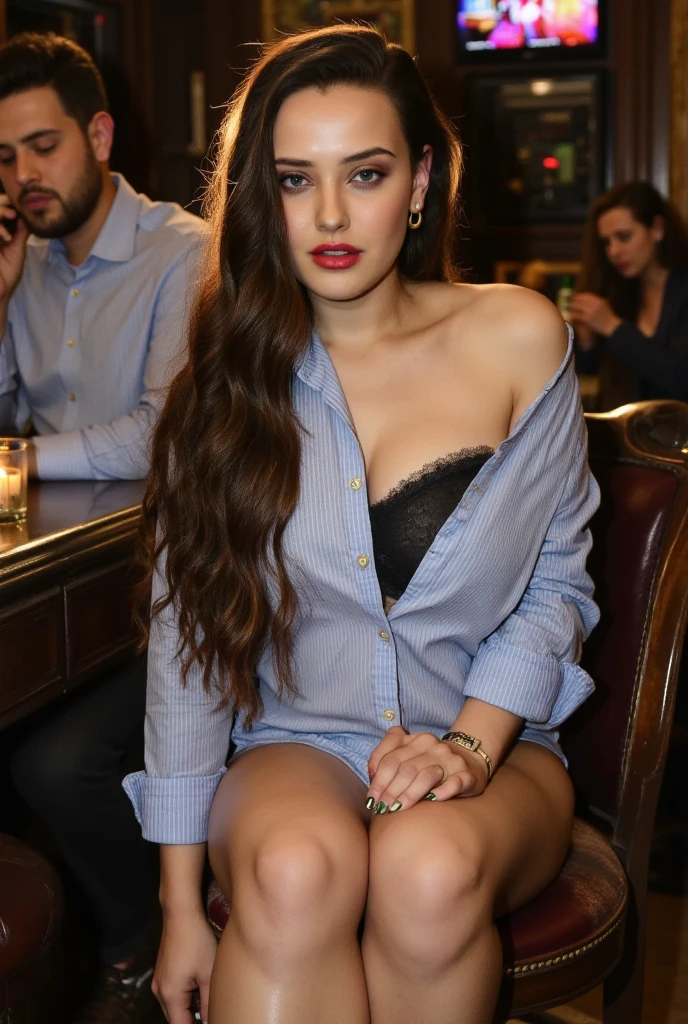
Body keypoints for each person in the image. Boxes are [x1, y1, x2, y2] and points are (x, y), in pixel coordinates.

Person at [124, 26, 600, 1024]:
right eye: (296, 180)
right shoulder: (220, 385)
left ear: (420, 179)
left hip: (496, 747)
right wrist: (177, 908)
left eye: (367, 172)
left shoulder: (516, 337)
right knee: (296, 867)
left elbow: (557, 585)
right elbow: (186, 648)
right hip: (293, 744)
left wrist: (466, 746)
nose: (331, 214)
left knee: (424, 868)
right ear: (264, 196)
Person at [0, 32, 207, 1023]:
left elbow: (159, 434)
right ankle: (54, 948)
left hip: (169, 586)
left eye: (42, 146)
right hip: (53, 588)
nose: (23, 176)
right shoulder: (20, 264)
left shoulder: (186, 252)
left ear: (100, 133)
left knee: (50, 760)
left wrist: (18, 457)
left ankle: (137, 944)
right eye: (3, 158)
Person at [571, 181, 688, 409]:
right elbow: (592, 370)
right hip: (628, 437)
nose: (613, 251)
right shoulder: (618, 290)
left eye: (623, 237)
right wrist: (586, 342)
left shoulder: (683, 290)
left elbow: (680, 378)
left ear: (657, 229)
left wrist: (612, 326)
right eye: (606, 242)